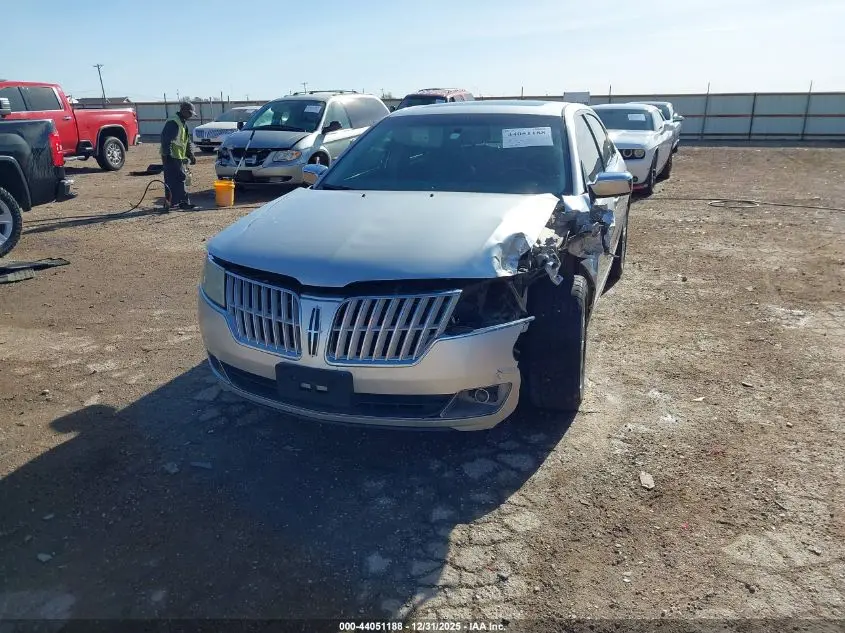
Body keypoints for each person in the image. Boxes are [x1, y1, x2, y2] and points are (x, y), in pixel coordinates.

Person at [160, 100, 198, 210]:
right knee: (178, 178)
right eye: (190, 113)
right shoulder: (173, 122)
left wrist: (191, 155)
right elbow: (165, 139)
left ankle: (172, 203)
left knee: (174, 179)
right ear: (183, 111)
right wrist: (167, 155)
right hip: (171, 156)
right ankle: (182, 203)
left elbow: (186, 141)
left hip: (178, 156)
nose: (191, 116)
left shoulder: (183, 123)